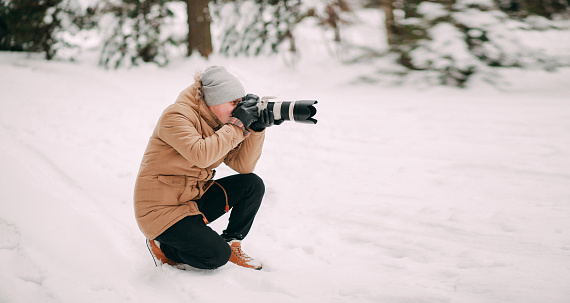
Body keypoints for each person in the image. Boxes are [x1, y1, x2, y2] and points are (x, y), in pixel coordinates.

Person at [134, 66, 278, 270]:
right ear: (213, 101)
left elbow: (243, 166)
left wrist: (256, 130)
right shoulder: (175, 116)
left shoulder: (219, 124)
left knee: (252, 184)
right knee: (216, 257)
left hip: (191, 200)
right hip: (161, 211)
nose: (237, 110)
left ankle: (231, 242)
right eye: (233, 103)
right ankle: (163, 247)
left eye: (240, 104)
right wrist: (237, 125)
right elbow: (201, 154)